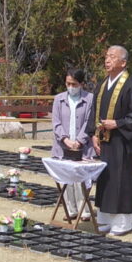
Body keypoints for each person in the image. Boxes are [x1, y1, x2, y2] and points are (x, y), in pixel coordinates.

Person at [86, 45, 132, 235]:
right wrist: (93, 135)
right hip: (104, 141)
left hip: (121, 141)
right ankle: (104, 218)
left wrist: (118, 123)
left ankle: (122, 223)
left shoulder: (131, 85)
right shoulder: (103, 84)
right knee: (105, 179)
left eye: (112, 57)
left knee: (120, 179)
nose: (107, 60)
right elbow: (94, 112)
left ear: (123, 62)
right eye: (106, 56)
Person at [51, 68, 95, 220]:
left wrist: (79, 141)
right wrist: (65, 139)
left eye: (74, 84)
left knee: (82, 178)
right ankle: (71, 209)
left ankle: (85, 210)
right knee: (67, 177)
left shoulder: (90, 99)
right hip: (63, 146)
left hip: (82, 146)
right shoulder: (59, 99)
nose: (70, 87)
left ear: (81, 84)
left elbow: (89, 121)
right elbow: (56, 123)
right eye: (68, 83)